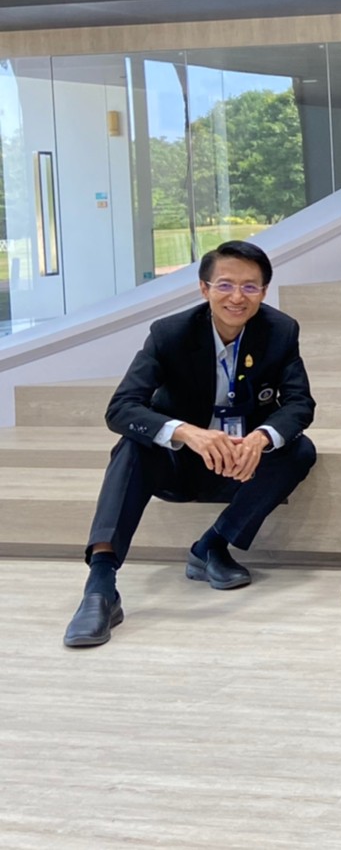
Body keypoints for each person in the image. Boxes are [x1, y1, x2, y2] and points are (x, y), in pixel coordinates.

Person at [62, 241, 317, 649]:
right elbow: (121, 408)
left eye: (250, 287)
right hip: (179, 462)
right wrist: (187, 433)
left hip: (240, 464)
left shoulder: (280, 331)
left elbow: (300, 404)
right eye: (225, 285)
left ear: (264, 292)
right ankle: (100, 587)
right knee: (131, 447)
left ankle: (212, 546)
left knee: (298, 450)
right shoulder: (170, 333)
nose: (237, 297)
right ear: (204, 288)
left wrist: (260, 438)